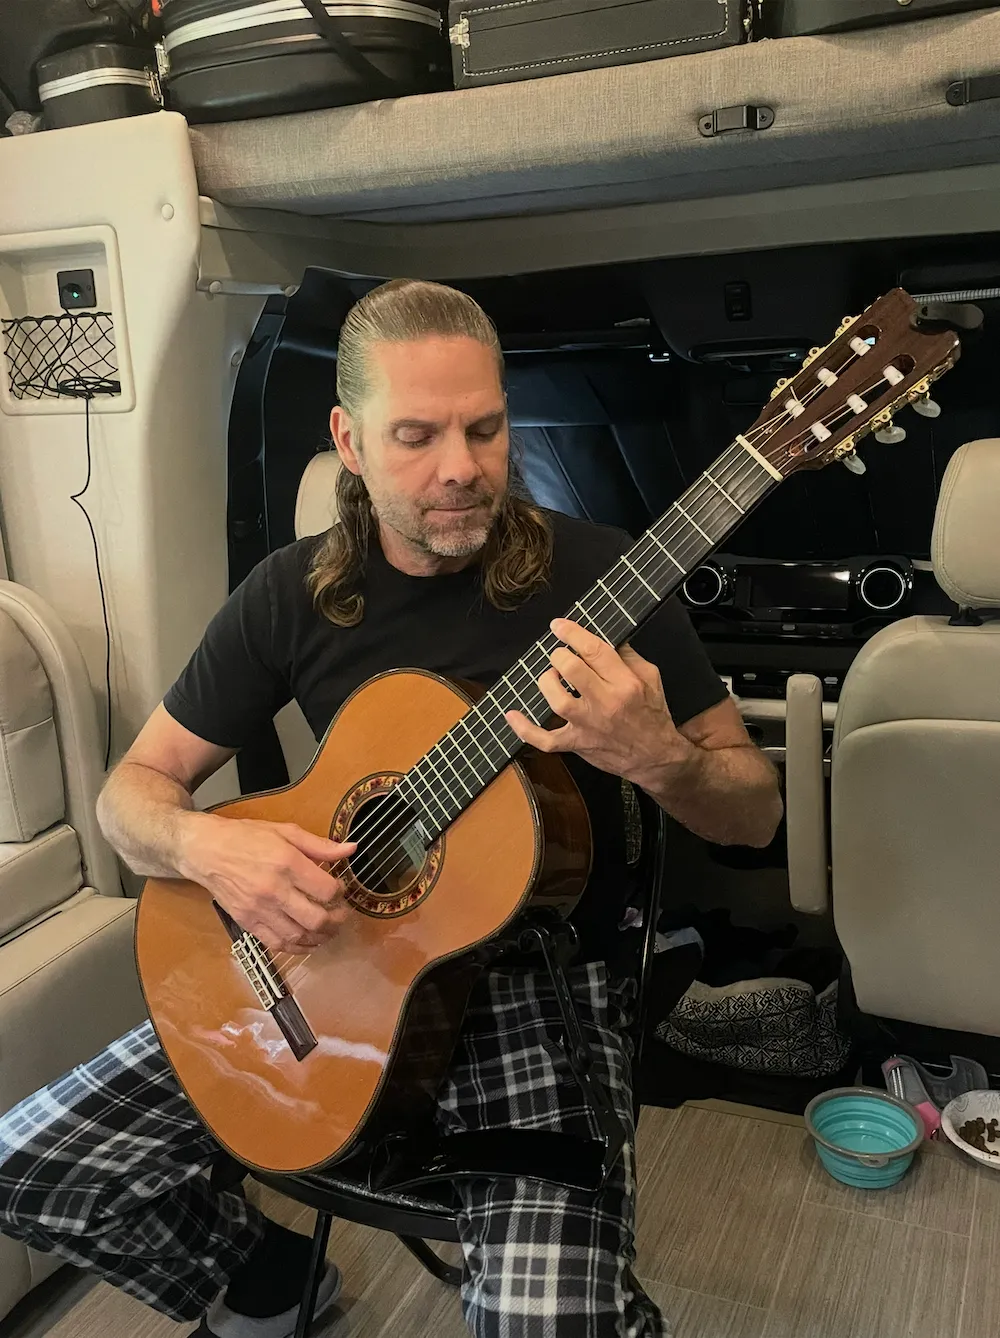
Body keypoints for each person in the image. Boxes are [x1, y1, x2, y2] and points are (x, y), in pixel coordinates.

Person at [0, 279, 782, 1338]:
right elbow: (127, 798)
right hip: (319, 963)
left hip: (532, 992)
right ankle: (267, 1280)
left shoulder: (607, 578)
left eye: (484, 427)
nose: (460, 466)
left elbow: (754, 818)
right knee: (29, 1165)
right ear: (349, 441)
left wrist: (663, 761)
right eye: (415, 435)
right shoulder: (291, 593)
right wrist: (208, 852)